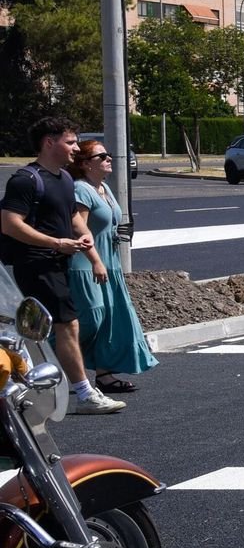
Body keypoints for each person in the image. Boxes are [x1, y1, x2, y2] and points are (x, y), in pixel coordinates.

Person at [0, 118, 124, 414]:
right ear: (49, 143)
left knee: (31, 329)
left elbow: (72, 217)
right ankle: (85, 394)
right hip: (36, 263)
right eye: (70, 142)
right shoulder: (25, 180)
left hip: (58, 263)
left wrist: (90, 248)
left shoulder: (65, 179)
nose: (76, 148)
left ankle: (19, 386)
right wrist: (55, 243)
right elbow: (10, 224)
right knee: (67, 324)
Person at [66, 139, 157, 395]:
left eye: (108, 154)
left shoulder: (104, 187)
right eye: (102, 156)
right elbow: (79, 230)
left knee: (109, 319)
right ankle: (55, 360)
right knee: (91, 317)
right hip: (85, 263)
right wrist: (95, 260)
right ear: (85, 164)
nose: (109, 159)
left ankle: (103, 375)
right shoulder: (81, 189)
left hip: (110, 262)